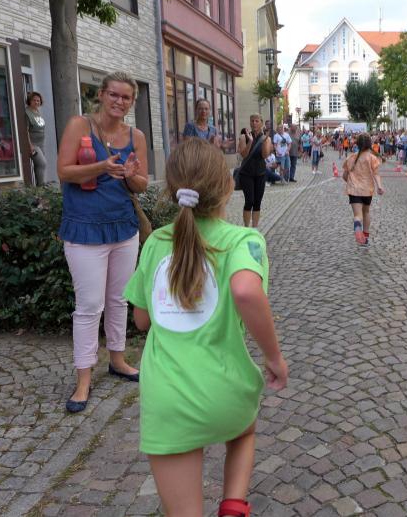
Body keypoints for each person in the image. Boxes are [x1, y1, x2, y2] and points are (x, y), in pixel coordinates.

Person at [123, 138, 288, 517]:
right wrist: (274, 358)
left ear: (171, 190)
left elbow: (142, 320)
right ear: (229, 186)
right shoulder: (243, 240)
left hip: (168, 399)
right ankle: (233, 504)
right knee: (243, 432)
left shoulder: (157, 243)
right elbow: (245, 290)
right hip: (225, 392)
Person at [56, 72, 148, 413]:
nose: (119, 102)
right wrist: (101, 166)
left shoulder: (135, 136)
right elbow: (64, 171)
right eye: (114, 95)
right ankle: (83, 379)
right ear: (101, 94)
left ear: (132, 102)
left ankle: (118, 360)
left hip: (123, 228)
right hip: (85, 228)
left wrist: (130, 175)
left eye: (126, 97)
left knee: (119, 300)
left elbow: (141, 184)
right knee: (89, 306)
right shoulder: (79, 125)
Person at [342, 134, 384, 246]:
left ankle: (357, 226)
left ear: (357, 144)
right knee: (366, 212)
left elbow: (344, 176)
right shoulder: (372, 158)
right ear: (370, 144)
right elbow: (376, 174)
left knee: (358, 215)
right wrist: (379, 186)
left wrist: (351, 182)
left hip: (354, 190)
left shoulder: (351, 158)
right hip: (367, 190)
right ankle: (365, 237)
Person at [237, 114, 273, 228]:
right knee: (249, 201)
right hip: (246, 174)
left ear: (261, 123)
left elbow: (265, 155)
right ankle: (246, 228)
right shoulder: (244, 137)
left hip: (260, 173)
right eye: (252, 121)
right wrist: (250, 141)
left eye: (257, 121)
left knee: (257, 202)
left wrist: (265, 141)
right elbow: (243, 155)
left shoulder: (266, 138)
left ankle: (255, 228)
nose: (254, 123)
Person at [25, 91, 47, 186]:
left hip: (41, 143)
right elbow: (25, 131)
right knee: (42, 163)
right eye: (34, 100)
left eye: (38, 101)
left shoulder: (37, 112)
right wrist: (30, 145)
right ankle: (41, 186)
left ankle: (39, 187)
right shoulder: (27, 113)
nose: (36, 102)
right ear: (30, 101)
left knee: (38, 165)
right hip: (33, 143)